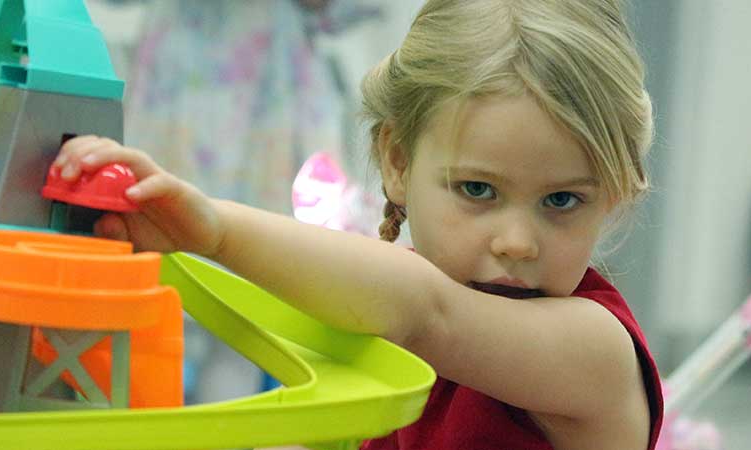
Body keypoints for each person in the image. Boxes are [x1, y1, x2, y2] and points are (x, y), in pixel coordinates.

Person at [53, 0, 663, 448]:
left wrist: (213, 232)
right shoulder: (382, 320)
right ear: (397, 162)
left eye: (562, 201)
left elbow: (429, 312)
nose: (516, 242)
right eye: (478, 190)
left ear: (612, 193)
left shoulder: (595, 354)